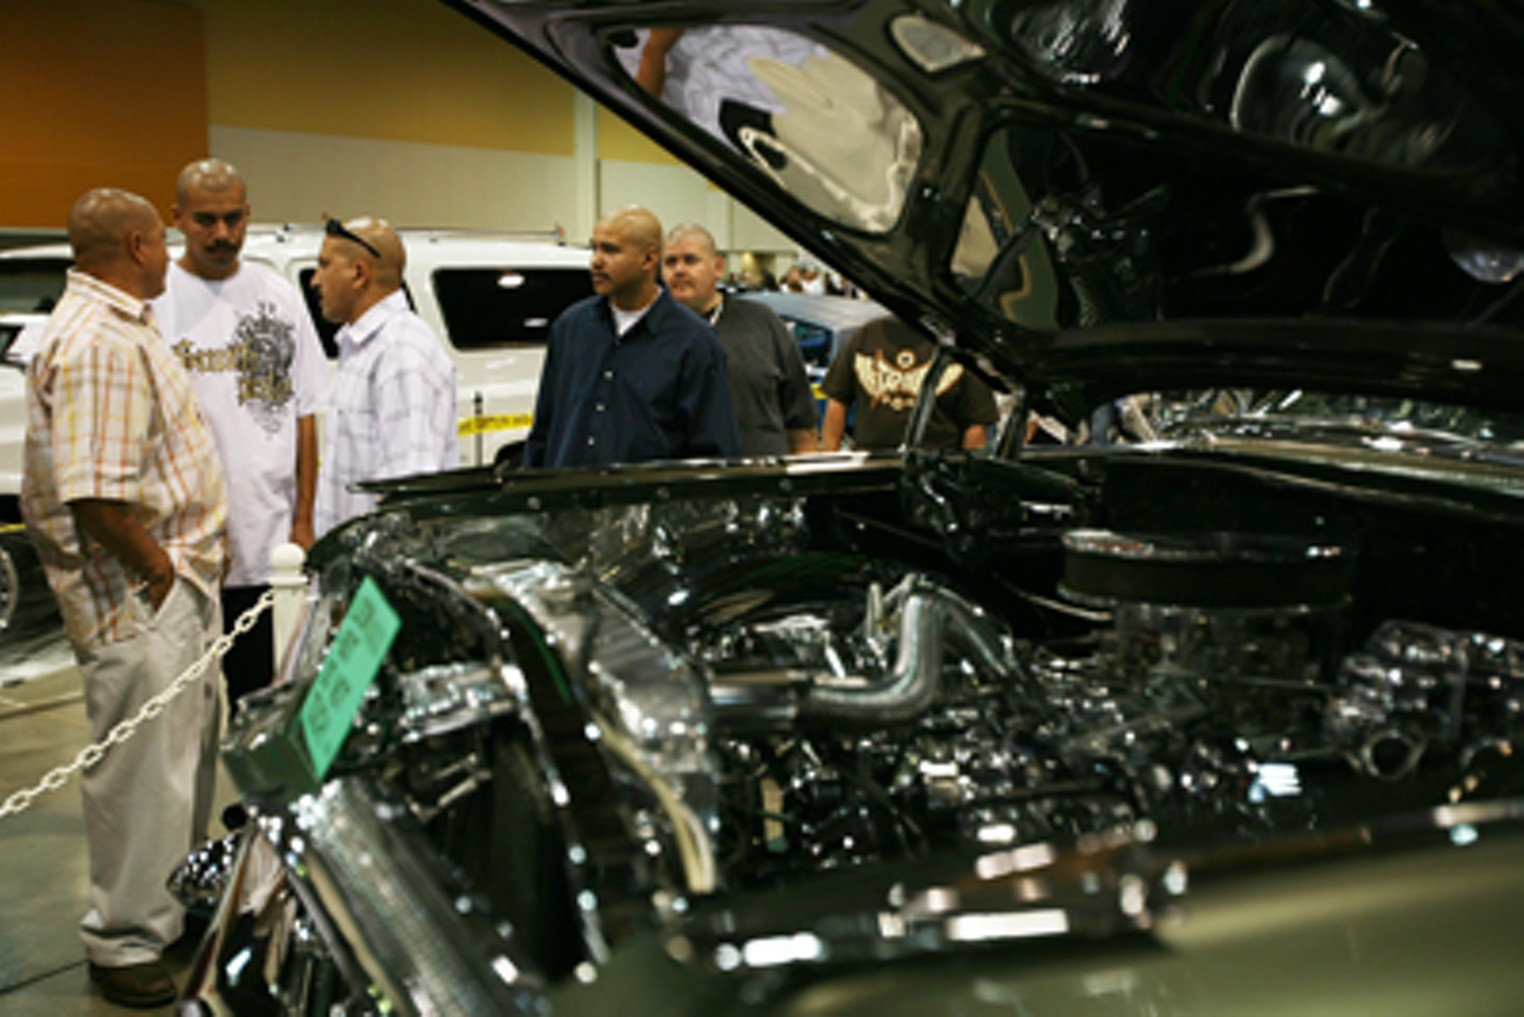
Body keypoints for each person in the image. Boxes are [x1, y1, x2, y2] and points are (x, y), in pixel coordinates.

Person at [21, 188, 228, 1008]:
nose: (177, 250)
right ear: (141, 245)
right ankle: (126, 938)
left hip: (162, 587)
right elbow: (97, 497)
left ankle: (165, 911)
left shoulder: (114, 326)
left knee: (176, 771)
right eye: (167, 239)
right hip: (139, 597)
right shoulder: (101, 341)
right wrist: (160, 571)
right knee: (142, 776)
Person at [152, 158, 327, 708]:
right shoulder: (154, 302)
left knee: (264, 697)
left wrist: (302, 521)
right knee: (187, 709)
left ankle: (259, 800)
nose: (222, 234)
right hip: (183, 552)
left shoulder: (278, 295)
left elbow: (306, 414)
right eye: (206, 220)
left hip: (267, 547)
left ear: (249, 215)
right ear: (176, 217)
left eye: (233, 219)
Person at [524, 207, 739, 467]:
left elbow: (714, 451)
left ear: (649, 259)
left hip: (647, 505)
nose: (596, 261)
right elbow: (544, 429)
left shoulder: (695, 342)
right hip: (569, 502)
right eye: (595, 249)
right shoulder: (570, 328)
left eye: (611, 250)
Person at [310, 216, 458, 534]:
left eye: (324, 265)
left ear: (359, 274)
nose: (315, 281)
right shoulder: (365, 348)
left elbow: (405, 496)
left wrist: (371, 585)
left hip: (377, 576)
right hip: (353, 570)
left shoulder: (403, 354)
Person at [662, 223, 817, 456]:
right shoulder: (651, 332)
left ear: (718, 267)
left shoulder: (762, 322)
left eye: (691, 260)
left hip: (763, 481)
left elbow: (801, 422)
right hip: (683, 484)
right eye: (670, 262)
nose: (679, 270)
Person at [821, 315, 999, 452]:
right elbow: (838, 399)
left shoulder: (959, 345)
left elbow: (976, 423)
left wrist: (966, 481)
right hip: (871, 468)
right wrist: (830, 461)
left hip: (934, 472)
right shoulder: (867, 335)